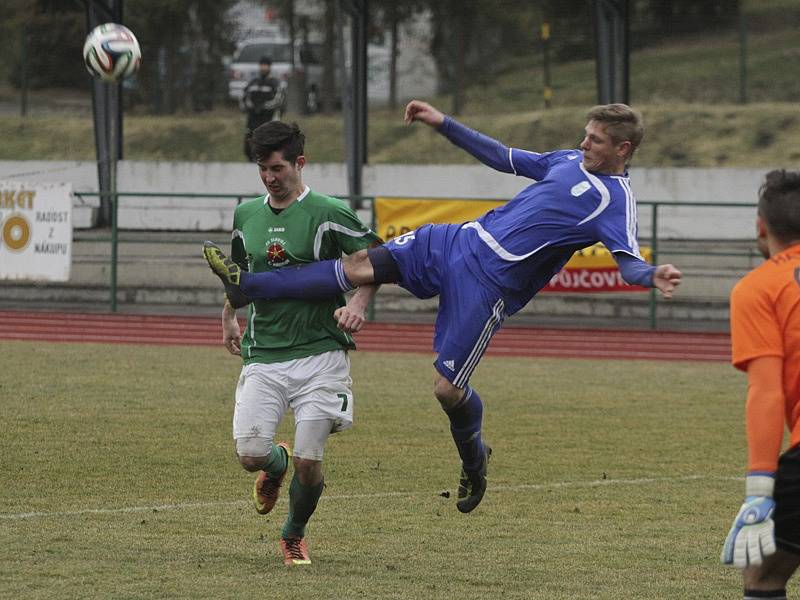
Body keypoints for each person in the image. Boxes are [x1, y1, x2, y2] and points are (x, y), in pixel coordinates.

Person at [204, 99, 682, 514]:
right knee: (357, 265)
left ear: (623, 149)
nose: (584, 144)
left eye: (596, 140)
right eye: (585, 134)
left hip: (488, 285)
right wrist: (442, 122)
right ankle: (250, 284)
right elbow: (502, 156)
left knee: (446, 390)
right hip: (455, 241)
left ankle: (474, 461)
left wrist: (651, 274)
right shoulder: (566, 161)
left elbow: (628, 261)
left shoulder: (616, 201)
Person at [211, 120, 381, 566]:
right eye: (263, 169)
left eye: (278, 167)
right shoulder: (246, 215)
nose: (270, 177)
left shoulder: (328, 212)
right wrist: (230, 315)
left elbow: (377, 261)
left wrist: (359, 303)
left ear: (300, 163)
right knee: (249, 455)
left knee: (312, 460)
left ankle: (293, 534)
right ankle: (275, 463)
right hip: (265, 354)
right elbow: (242, 277)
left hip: (321, 354)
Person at [721, 169, 800, 599]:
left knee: (763, 576)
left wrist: (759, 490)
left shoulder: (760, 286)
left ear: (761, 226)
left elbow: (767, 391)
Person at [241, 56, 285, 162]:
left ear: (269, 67)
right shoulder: (253, 82)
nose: (263, 68)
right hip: (253, 118)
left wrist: (264, 107)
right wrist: (252, 107)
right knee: (249, 140)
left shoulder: (274, 83)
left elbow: (279, 99)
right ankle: (251, 159)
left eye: (266, 66)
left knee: (268, 141)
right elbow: (245, 97)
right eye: (262, 65)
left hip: (268, 118)